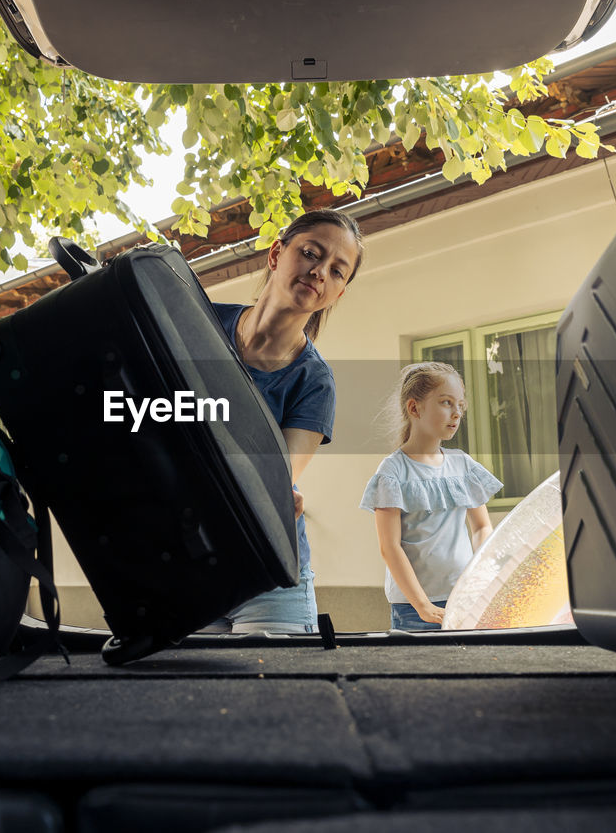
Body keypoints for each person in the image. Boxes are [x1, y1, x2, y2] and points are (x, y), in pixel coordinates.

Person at [202, 208, 364, 633]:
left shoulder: (315, 381)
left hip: (269, 579)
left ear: (338, 293)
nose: (320, 272)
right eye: (311, 253)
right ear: (276, 253)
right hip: (187, 563)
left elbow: (274, 476)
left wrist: (271, 488)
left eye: (337, 271)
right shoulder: (197, 322)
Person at [360, 361, 503, 631]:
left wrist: (478, 578)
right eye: (447, 402)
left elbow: (482, 527)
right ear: (414, 408)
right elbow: (390, 547)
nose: (457, 413)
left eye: (460, 405)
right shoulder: (393, 471)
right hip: (414, 610)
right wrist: (422, 605)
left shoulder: (463, 465)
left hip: (464, 600)